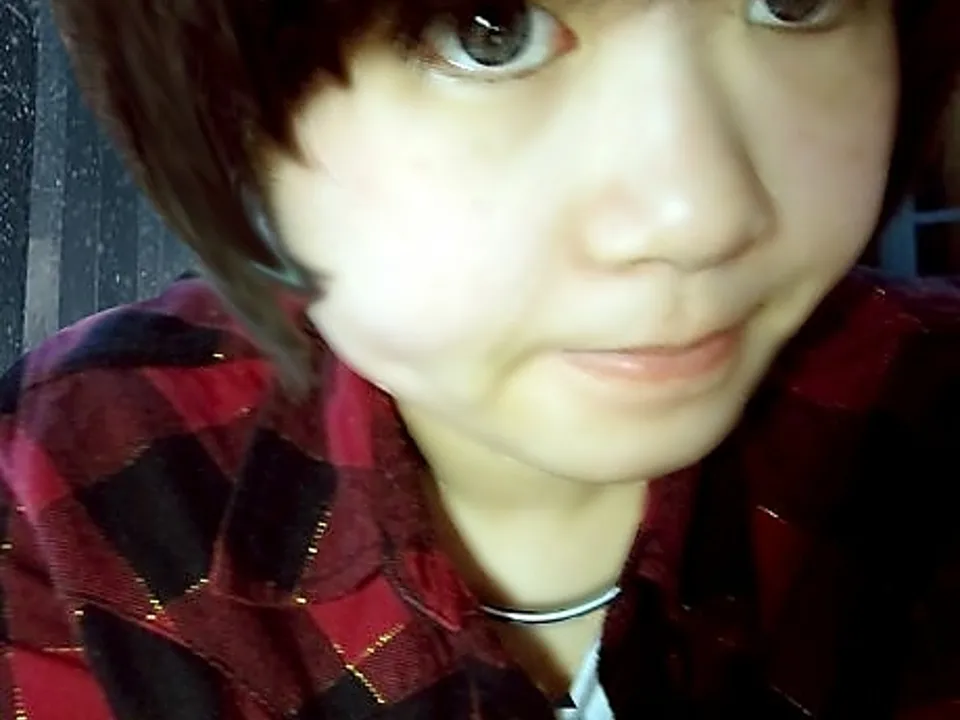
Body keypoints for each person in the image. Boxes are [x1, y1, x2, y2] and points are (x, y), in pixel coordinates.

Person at [1, 0, 959, 717]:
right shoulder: (72, 494)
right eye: (488, 30)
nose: (701, 216)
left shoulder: (927, 412)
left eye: (793, 2)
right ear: (224, 107)